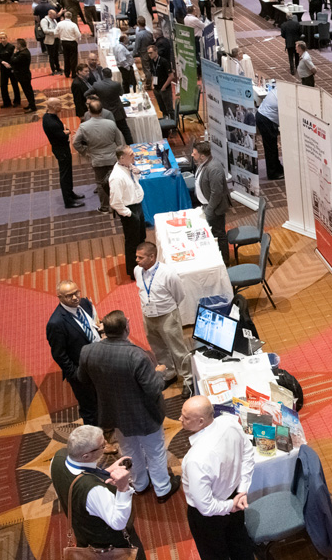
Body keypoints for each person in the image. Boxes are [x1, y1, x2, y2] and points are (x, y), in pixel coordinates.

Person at [77, 310, 180, 503]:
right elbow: (153, 389)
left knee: (128, 450)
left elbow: (83, 379)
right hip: (145, 415)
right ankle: (163, 489)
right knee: (155, 450)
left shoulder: (88, 351)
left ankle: (140, 485)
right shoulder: (136, 355)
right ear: (127, 327)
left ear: (104, 329)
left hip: (115, 414)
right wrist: (159, 372)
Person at [49, 425, 146, 559]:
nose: (106, 445)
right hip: (111, 547)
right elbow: (118, 522)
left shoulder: (58, 458)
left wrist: (105, 473)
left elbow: (77, 478)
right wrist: (123, 488)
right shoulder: (93, 490)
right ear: (86, 455)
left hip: (84, 535)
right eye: (102, 446)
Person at [180, 395, 256, 560]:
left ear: (201, 421)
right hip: (234, 497)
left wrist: (232, 504)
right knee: (239, 541)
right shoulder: (229, 423)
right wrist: (241, 492)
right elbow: (248, 454)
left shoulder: (195, 459)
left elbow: (205, 507)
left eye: (185, 417)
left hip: (209, 517)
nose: (180, 419)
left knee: (214, 554)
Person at [134, 241, 189, 395]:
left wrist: (169, 309)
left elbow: (180, 295)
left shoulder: (168, 273)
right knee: (158, 348)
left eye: (140, 257)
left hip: (167, 316)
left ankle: (188, 379)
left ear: (152, 257)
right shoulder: (137, 271)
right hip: (148, 316)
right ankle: (169, 374)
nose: (136, 260)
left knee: (177, 350)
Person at [47, 280, 102, 426]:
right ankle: (95, 441)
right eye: (69, 296)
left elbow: (93, 324)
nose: (75, 297)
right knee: (89, 407)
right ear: (60, 297)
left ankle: (107, 427)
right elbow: (59, 354)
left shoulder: (85, 304)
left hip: (100, 363)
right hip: (82, 371)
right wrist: (75, 374)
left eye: (76, 292)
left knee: (104, 398)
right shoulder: (56, 322)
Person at [73, 100, 124, 214]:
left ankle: (105, 207)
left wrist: (85, 152)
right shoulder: (111, 123)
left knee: (101, 184)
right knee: (115, 181)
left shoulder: (84, 126)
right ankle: (118, 204)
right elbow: (120, 142)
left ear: (89, 111)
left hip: (96, 159)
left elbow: (76, 143)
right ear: (102, 111)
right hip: (112, 157)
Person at [192, 142, 232, 265]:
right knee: (212, 233)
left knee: (219, 234)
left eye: (194, 153)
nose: (192, 155)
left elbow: (217, 193)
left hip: (215, 208)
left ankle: (225, 262)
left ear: (202, 156)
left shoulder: (213, 168)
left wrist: (209, 210)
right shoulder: (203, 164)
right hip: (207, 206)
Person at [109, 146, 146, 279]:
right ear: (121, 158)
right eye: (131, 154)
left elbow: (133, 185)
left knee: (141, 237)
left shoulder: (128, 167)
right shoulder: (117, 177)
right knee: (132, 242)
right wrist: (129, 214)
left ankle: (142, 264)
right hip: (130, 210)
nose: (134, 156)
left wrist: (136, 172)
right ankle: (133, 271)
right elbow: (115, 202)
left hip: (137, 206)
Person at [41, 98, 84, 207]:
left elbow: (63, 129)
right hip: (61, 150)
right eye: (60, 104)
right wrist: (67, 132)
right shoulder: (52, 123)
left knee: (68, 172)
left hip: (60, 148)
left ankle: (70, 193)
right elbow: (63, 134)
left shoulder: (47, 116)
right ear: (55, 107)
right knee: (65, 175)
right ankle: (68, 201)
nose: (62, 106)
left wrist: (64, 130)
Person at [87, 69, 132, 144]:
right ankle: (131, 147)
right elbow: (121, 93)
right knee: (125, 131)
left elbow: (86, 94)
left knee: (108, 133)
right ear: (111, 75)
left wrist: (96, 98)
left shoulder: (96, 85)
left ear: (103, 75)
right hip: (118, 112)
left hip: (105, 113)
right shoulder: (116, 84)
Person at [256, 88, 284, 180]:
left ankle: (277, 167)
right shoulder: (281, 98)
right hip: (266, 120)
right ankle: (272, 173)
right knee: (271, 147)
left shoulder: (276, 91)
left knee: (272, 146)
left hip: (263, 116)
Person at [146, 45, 175, 119]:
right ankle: (166, 125)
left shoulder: (164, 61)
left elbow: (171, 76)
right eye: (148, 53)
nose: (150, 55)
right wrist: (152, 85)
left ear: (156, 51)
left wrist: (164, 87)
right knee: (162, 109)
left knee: (169, 109)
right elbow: (153, 74)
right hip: (156, 89)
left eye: (151, 53)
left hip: (165, 89)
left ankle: (174, 126)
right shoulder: (151, 62)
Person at [0, 32, 21, 108]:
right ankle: (6, 102)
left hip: (11, 68)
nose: (2, 40)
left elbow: (13, 56)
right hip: (3, 68)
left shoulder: (11, 47)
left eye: (4, 38)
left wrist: (9, 64)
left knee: (14, 84)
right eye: (1, 38)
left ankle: (17, 101)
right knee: (3, 85)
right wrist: (2, 62)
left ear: (7, 38)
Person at [11, 38, 38, 112]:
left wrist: (14, 53)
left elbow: (13, 60)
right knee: (27, 91)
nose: (16, 46)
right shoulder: (24, 52)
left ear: (19, 45)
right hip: (24, 74)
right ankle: (31, 104)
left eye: (17, 44)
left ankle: (32, 106)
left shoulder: (23, 54)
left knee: (28, 91)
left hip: (23, 75)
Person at [57, 11, 82, 78]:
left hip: (64, 42)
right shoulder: (73, 25)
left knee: (66, 57)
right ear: (71, 17)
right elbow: (78, 35)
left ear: (65, 16)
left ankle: (67, 73)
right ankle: (73, 74)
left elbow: (55, 33)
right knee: (73, 59)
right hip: (72, 42)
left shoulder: (60, 24)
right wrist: (77, 40)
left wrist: (60, 37)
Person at [132, 17, 155, 85]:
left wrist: (133, 54)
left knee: (146, 68)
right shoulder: (149, 33)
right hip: (150, 52)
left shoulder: (139, 34)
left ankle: (148, 83)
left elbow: (137, 46)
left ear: (138, 23)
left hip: (143, 52)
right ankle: (150, 79)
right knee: (150, 66)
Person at [41, 9, 62, 75]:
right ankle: (53, 69)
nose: (55, 16)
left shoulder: (54, 20)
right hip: (50, 41)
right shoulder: (44, 21)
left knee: (56, 54)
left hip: (56, 39)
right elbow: (45, 30)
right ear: (49, 14)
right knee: (51, 56)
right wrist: (54, 31)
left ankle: (58, 67)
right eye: (54, 15)